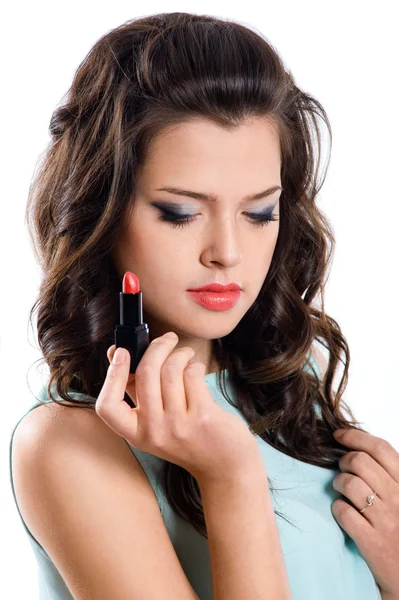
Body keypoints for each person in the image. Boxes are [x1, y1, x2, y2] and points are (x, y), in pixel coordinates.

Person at [9, 11, 396, 600]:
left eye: (260, 212)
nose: (228, 252)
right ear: (101, 211)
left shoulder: (291, 377)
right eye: (180, 213)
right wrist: (231, 477)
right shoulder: (71, 444)